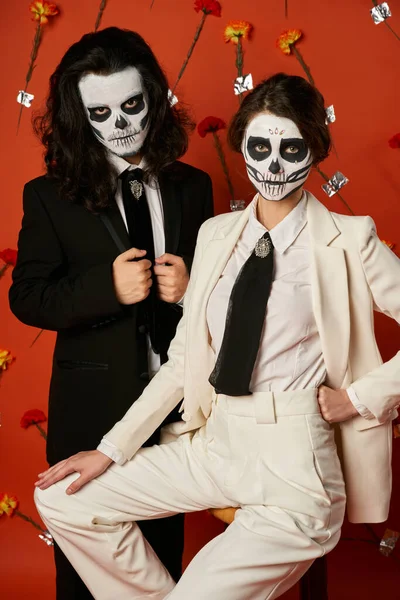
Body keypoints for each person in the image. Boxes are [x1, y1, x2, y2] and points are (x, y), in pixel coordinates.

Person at [34, 73, 400, 600]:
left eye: (291, 147)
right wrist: (112, 450)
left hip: (294, 466)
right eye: (260, 147)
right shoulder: (217, 235)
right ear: (242, 147)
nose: (273, 165)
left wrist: (360, 399)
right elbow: (186, 358)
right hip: (215, 442)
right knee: (65, 499)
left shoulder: (350, 239)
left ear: (315, 150)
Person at [10, 27, 213, 600]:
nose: (121, 123)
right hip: (89, 411)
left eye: (131, 105)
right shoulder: (48, 194)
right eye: (100, 111)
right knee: (85, 576)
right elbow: (26, 297)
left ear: (152, 96)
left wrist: (190, 290)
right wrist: (107, 288)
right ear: (80, 114)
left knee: (160, 560)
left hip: (172, 410)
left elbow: (218, 297)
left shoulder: (192, 186)